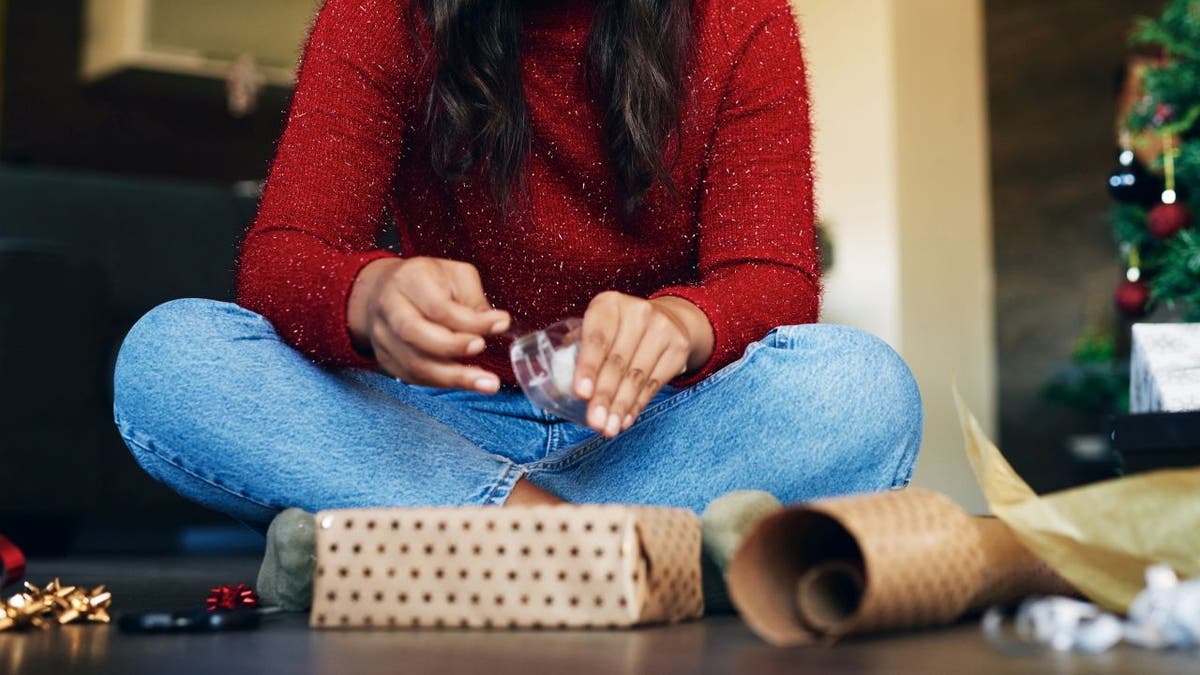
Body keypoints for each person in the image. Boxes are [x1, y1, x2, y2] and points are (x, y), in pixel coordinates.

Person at [113, 0, 922, 531]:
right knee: (168, 358)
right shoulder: (379, 13)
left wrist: (680, 325)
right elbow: (284, 256)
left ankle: (422, 535)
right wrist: (372, 294)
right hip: (433, 419)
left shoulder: (743, 19)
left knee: (865, 388)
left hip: (647, 430)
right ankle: (596, 545)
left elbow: (776, 277)